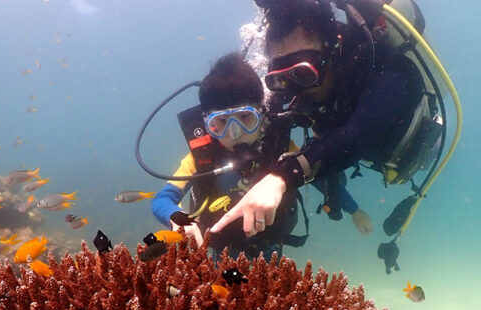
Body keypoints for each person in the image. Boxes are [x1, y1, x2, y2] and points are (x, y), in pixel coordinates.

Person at [211, 0, 443, 254]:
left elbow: (355, 135)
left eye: (304, 74)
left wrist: (281, 177)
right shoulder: (295, 90)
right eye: (280, 80)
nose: (294, 90)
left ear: (333, 49)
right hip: (341, 141)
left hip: (401, 145)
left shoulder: (385, 70)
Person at [151, 52, 371, 260]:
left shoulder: (282, 150)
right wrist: (179, 221)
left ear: (263, 115)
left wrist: (356, 211)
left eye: (246, 118)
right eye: (221, 123)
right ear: (208, 125)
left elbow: (324, 184)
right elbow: (162, 199)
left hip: (270, 249)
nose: (235, 133)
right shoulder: (200, 157)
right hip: (219, 250)